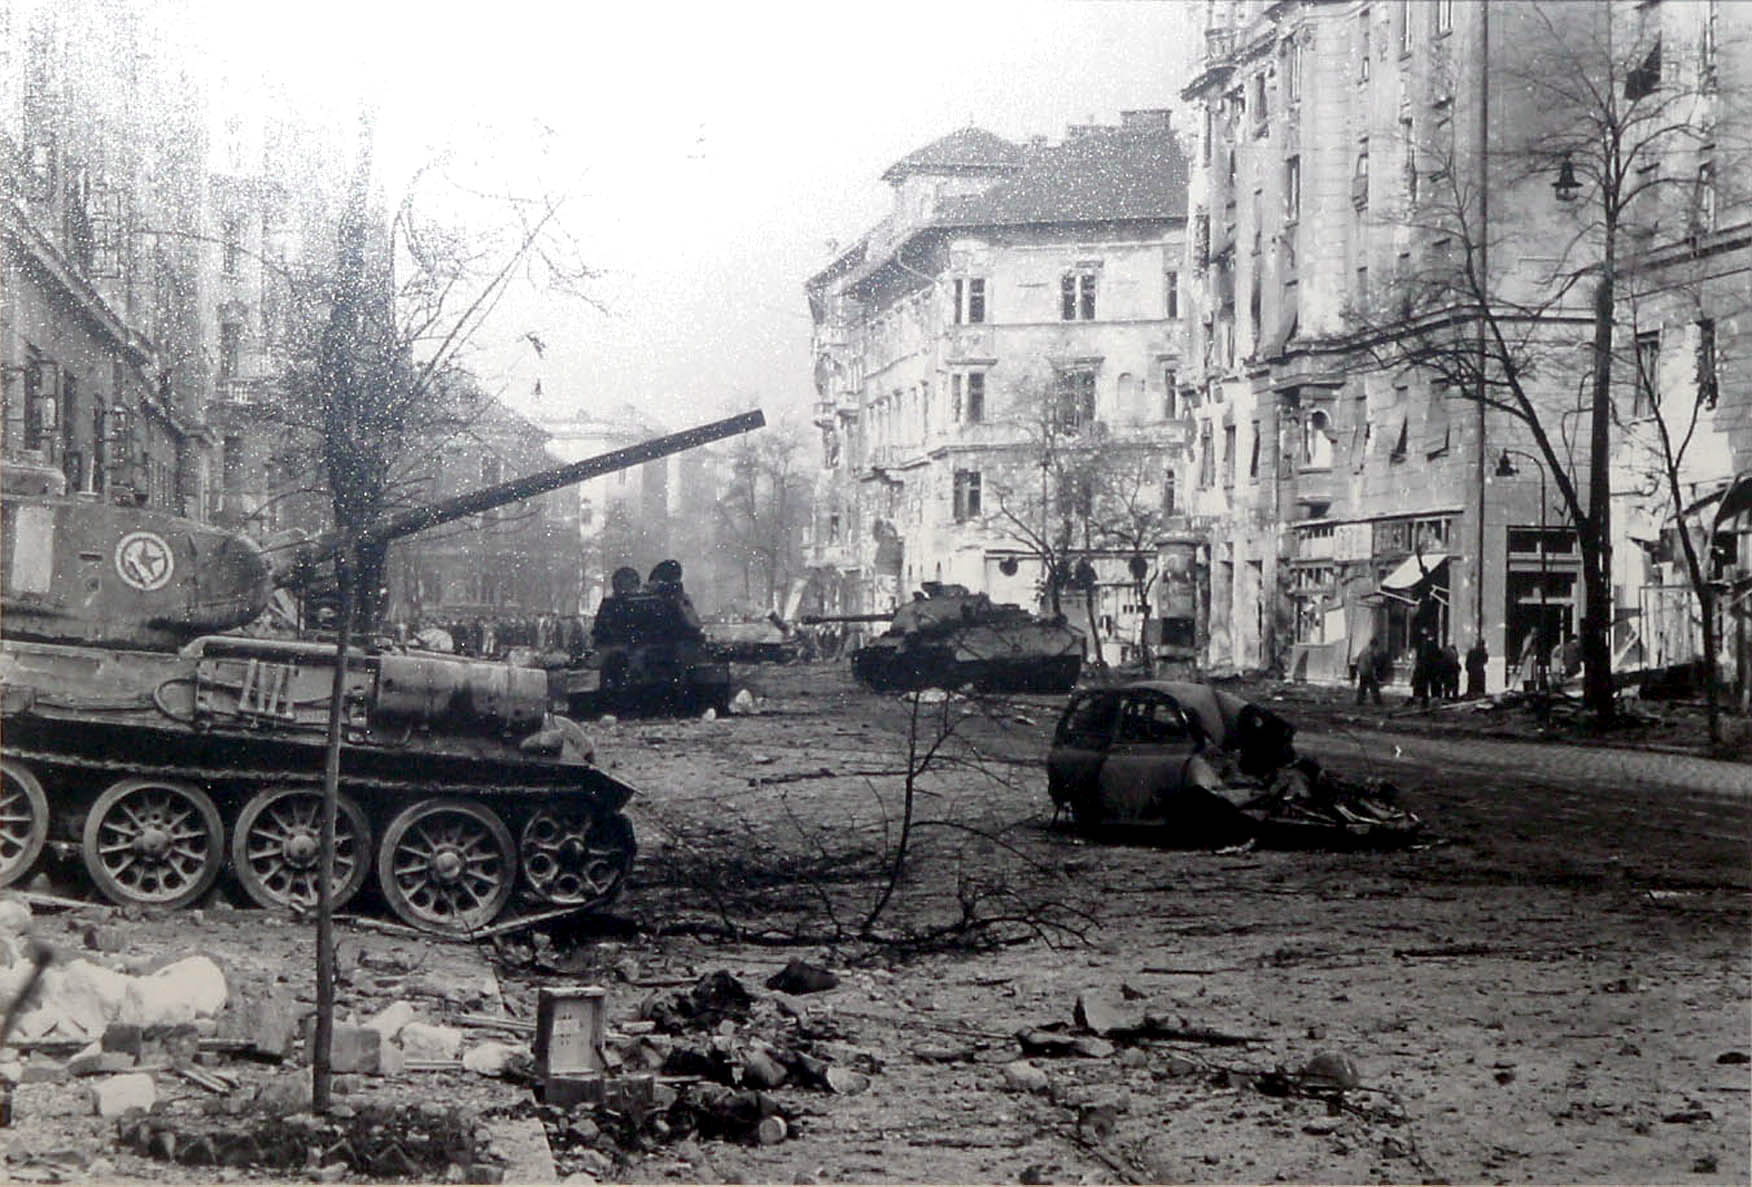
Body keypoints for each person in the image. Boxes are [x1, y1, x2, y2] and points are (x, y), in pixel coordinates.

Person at [1354, 637, 1384, 706]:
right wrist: (1375, 665)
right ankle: (1378, 701)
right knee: (1374, 687)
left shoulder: (1364, 649)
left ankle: (1359, 701)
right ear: (1374, 644)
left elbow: (1358, 659)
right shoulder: (1370, 651)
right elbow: (1370, 661)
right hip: (1367, 670)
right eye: (1376, 645)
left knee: (1362, 686)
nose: (1376, 647)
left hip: (1362, 670)